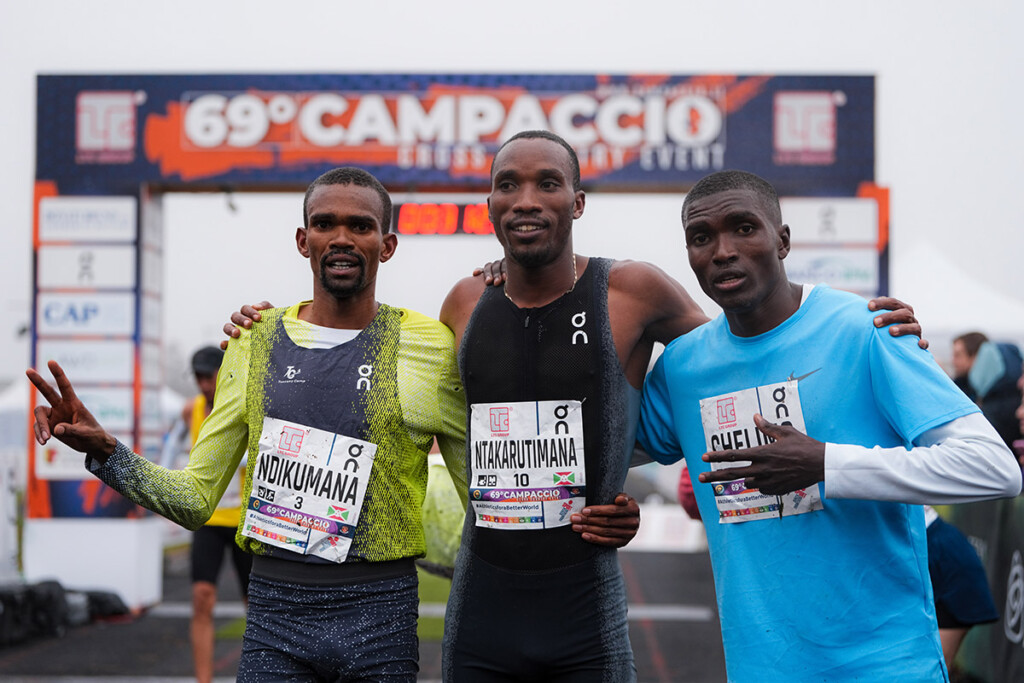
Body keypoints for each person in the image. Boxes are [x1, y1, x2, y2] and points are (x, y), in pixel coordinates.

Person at [434, 132, 928, 682]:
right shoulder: (464, 302)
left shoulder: (632, 289)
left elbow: (737, 355)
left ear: (577, 202)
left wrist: (854, 329)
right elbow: (448, 426)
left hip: (583, 610)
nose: (526, 200)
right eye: (509, 186)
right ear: (490, 205)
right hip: (482, 602)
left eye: (547, 184)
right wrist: (607, 481)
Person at [29, 168, 470, 682]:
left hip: (381, 615)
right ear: (303, 241)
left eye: (361, 226)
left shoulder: (430, 348)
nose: (341, 238)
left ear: (387, 245)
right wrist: (108, 452)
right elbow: (195, 499)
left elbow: (481, 499)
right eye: (324, 224)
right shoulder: (253, 341)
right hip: (274, 617)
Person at [637, 169, 1021, 681]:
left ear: (783, 240)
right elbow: (599, 453)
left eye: (744, 228)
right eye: (701, 237)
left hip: (887, 666)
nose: (723, 251)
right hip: (762, 668)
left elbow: (995, 467)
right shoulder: (684, 367)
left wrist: (826, 464)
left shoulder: (868, 328)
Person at [176, 345, 251, 683]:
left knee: (256, 606)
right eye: (199, 378)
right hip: (207, 519)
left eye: (209, 377)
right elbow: (174, 447)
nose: (204, 384)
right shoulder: (189, 410)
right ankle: (203, 679)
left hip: (244, 521)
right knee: (201, 598)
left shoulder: (244, 403)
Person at [952, 331, 1023, 447]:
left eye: (958, 355)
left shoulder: (1001, 403)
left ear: (975, 356)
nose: (953, 361)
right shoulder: (974, 390)